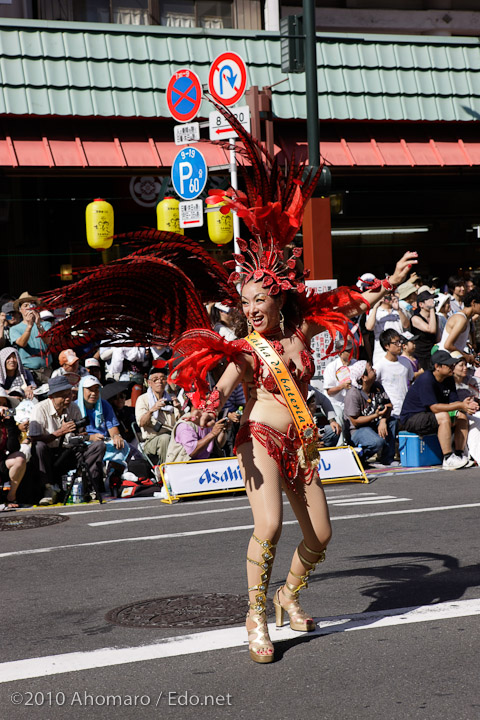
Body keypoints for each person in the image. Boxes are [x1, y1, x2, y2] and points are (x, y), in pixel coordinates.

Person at [40, 105, 417, 664]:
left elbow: (348, 301)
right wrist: (206, 406)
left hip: (303, 445)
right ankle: (255, 617)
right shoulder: (245, 347)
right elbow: (224, 383)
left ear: (279, 297)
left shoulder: (301, 329)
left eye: (260, 300)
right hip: (260, 439)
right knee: (269, 524)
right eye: (245, 303)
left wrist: (389, 282)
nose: (252, 309)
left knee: (321, 537)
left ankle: (290, 594)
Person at [29, 376, 106, 504]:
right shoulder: (40, 409)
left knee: (98, 446)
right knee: (39, 446)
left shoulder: (73, 408)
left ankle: (88, 486)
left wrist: (82, 435)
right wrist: (60, 432)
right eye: (63, 396)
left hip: (68, 451)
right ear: (51, 397)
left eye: (69, 394)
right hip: (49, 454)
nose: (68, 398)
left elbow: (81, 434)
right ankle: (48, 489)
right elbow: (34, 438)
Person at [399, 350, 478, 469]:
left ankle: (459, 455)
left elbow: (454, 402)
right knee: (443, 416)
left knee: (461, 416)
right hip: (412, 418)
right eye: (449, 364)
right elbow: (434, 408)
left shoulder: (449, 378)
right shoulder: (426, 379)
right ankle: (448, 458)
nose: (452, 367)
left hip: (431, 416)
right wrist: (460, 405)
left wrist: (466, 405)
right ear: (437, 367)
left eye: (452, 364)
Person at [343, 360, 396, 465]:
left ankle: (387, 458)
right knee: (376, 442)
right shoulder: (353, 394)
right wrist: (376, 415)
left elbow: (389, 405)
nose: (375, 370)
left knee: (392, 422)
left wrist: (383, 420)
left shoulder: (377, 386)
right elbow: (355, 421)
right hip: (357, 430)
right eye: (371, 369)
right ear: (364, 377)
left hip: (374, 424)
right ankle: (358, 460)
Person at [75, 375, 130, 470]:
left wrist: (116, 436)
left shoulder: (104, 405)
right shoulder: (74, 407)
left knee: (122, 444)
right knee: (98, 447)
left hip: (104, 440)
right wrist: (91, 437)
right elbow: (74, 436)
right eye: (90, 390)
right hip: (86, 443)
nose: (94, 393)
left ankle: (113, 469)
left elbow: (112, 428)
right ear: (82, 390)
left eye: (96, 389)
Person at [135, 364, 181, 464]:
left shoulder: (171, 398)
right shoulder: (143, 399)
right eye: (155, 379)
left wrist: (179, 408)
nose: (159, 381)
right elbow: (141, 423)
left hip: (173, 435)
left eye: (163, 378)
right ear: (149, 383)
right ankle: (167, 470)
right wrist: (152, 410)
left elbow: (180, 422)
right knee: (165, 438)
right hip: (152, 439)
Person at [9, 291, 53, 384]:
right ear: (20, 310)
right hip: (28, 372)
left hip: (47, 371)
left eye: (32, 305)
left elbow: (47, 341)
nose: (30, 308)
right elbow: (22, 343)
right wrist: (29, 326)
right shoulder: (14, 329)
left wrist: (38, 324)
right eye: (26, 305)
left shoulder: (46, 324)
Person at [374, 328, 413, 418]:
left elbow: (410, 382)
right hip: (390, 414)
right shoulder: (379, 366)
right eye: (396, 343)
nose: (400, 345)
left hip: (406, 410)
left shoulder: (406, 362)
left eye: (400, 341)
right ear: (386, 346)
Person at [437, 288, 480, 364]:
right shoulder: (461, 319)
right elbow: (448, 345)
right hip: (445, 361)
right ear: (473, 303)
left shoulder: (466, 319)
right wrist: (466, 356)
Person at [365, 292, 409, 365]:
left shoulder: (399, 309)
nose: (391, 297)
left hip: (399, 349)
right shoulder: (374, 311)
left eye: (392, 294)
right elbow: (369, 327)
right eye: (388, 295)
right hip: (381, 352)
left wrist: (398, 310)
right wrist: (375, 307)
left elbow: (406, 325)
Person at [0, 389, 27, 508]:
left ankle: (11, 496)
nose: (2, 408)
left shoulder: (8, 423)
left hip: (2, 461)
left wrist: (9, 423)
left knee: (20, 458)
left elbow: (13, 448)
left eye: (5, 405)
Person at [410, 290, 439, 370]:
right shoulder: (415, 318)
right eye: (429, 300)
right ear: (421, 304)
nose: (432, 301)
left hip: (433, 354)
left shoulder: (435, 317)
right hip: (421, 355)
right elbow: (431, 329)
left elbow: (437, 337)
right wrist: (432, 309)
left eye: (433, 299)